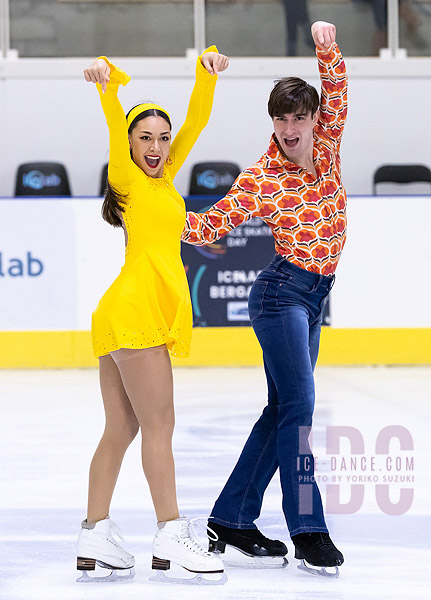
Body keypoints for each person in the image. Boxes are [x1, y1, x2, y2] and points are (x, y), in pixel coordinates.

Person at [182, 21, 346, 577]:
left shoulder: (327, 146)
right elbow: (209, 228)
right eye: (280, 118)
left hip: (313, 296)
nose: (289, 128)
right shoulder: (262, 176)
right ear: (272, 121)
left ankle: (231, 517)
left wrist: (326, 45)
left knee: (280, 410)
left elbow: (338, 86)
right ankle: (309, 529)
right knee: (298, 409)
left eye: (299, 117)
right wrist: (157, 215)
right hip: (280, 297)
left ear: (314, 119)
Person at [77, 46, 229, 584]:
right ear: (130, 142)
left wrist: (205, 68)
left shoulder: (164, 178)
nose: (158, 146)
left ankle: (95, 534)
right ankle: (171, 532)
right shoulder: (128, 177)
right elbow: (115, 123)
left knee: (120, 428)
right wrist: (105, 83)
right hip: (136, 312)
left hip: (122, 312)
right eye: (146, 137)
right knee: (159, 427)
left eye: (163, 138)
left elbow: (197, 122)